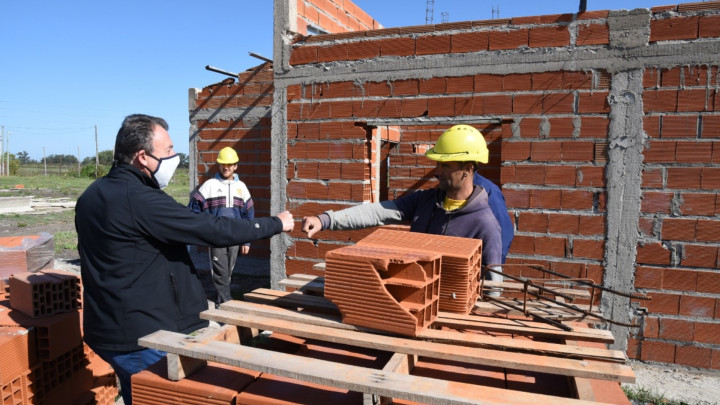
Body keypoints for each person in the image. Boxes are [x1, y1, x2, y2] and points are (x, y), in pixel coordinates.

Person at [75, 114, 294, 405]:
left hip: (109, 327)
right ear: (142, 156)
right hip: (141, 336)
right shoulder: (140, 199)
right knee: (163, 397)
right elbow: (209, 228)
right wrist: (273, 224)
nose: (174, 157)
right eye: (167, 151)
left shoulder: (92, 194)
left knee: (138, 394)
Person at [301, 124, 503, 282]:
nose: (437, 171)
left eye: (445, 165)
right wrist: (325, 220)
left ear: (467, 168)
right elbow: (377, 212)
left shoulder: (484, 224)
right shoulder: (425, 201)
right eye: (437, 164)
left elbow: (493, 288)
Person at [189, 147, 254, 306]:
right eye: (223, 164)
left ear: (235, 166)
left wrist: (246, 241)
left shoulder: (242, 188)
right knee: (219, 270)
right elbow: (194, 209)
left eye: (230, 164)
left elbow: (249, 215)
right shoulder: (209, 185)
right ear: (219, 166)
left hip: (235, 236)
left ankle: (222, 298)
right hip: (216, 235)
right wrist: (202, 229)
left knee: (228, 270)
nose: (226, 167)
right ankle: (225, 301)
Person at [473, 172, 514, 263]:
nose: (438, 171)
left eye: (445, 165)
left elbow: (504, 233)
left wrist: (491, 270)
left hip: (479, 270)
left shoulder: (488, 190)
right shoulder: (442, 190)